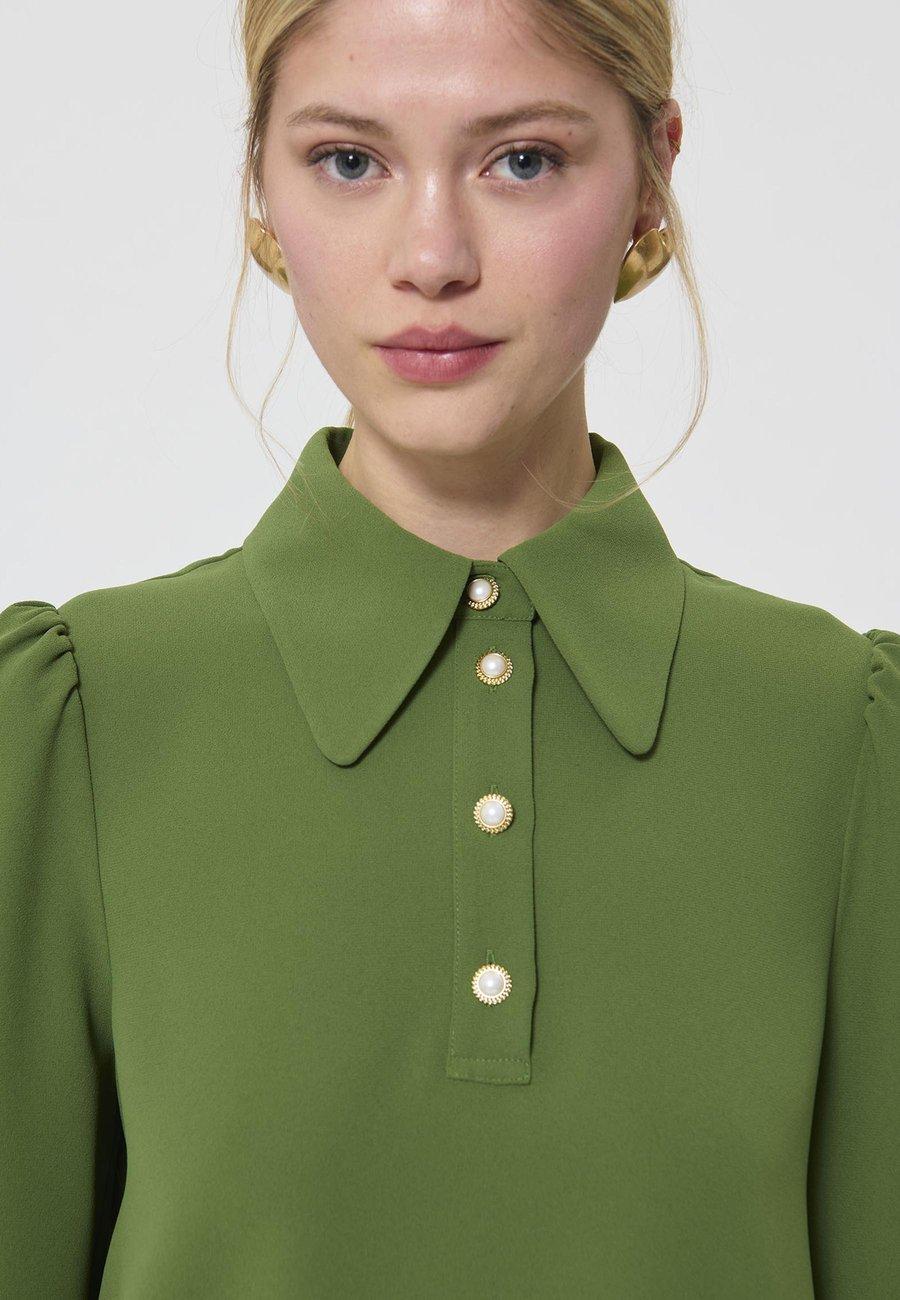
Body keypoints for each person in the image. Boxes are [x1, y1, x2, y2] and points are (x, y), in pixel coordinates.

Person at [1, 0, 897, 1295]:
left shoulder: (845, 744)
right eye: (348, 160)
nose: (431, 257)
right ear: (260, 181)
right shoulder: (74, 726)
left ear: (652, 177)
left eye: (522, 160)